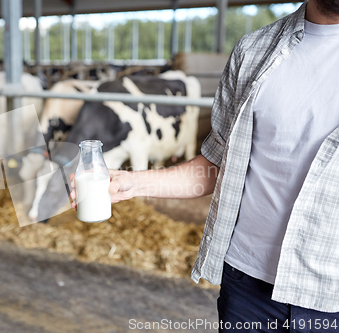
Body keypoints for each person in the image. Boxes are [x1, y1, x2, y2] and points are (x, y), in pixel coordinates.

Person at [70, 0, 339, 331]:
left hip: (331, 294)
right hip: (247, 285)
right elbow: (215, 165)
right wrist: (132, 182)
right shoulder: (253, 51)